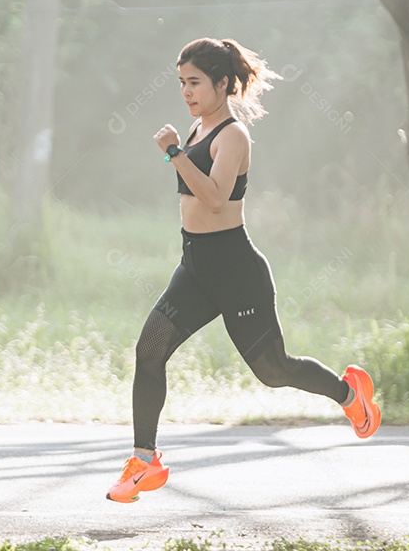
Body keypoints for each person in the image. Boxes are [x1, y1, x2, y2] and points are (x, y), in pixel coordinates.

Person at [106, 37, 381, 504]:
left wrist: (173, 153)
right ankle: (144, 463)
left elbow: (214, 197)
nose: (187, 92)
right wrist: (179, 148)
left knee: (274, 371)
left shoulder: (232, 136)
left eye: (195, 82)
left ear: (222, 83)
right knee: (149, 351)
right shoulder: (195, 130)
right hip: (195, 267)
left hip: (236, 272)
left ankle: (351, 395)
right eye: (181, 83)